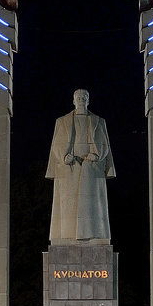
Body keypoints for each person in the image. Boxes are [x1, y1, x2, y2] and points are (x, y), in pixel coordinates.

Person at [46, 89, 115, 242]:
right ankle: (67, 237)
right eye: (78, 97)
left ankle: (93, 236)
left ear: (88, 100)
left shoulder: (98, 121)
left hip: (91, 167)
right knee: (68, 206)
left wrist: (96, 155)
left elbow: (105, 144)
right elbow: (56, 145)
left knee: (93, 206)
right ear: (73, 100)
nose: (81, 99)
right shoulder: (62, 121)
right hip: (70, 167)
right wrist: (64, 156)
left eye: (84, 97)